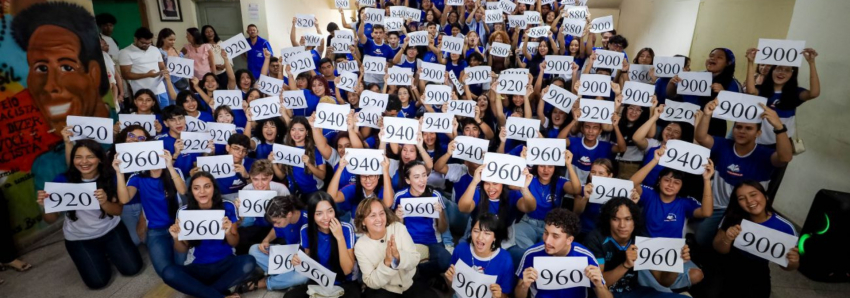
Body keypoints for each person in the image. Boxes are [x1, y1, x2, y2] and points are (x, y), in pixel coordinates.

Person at [37, 140, 143, 289]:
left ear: (99, 159)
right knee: (98, 283)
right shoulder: (63, 181)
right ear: (73, 159)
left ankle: (107, 253)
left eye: (90, 156)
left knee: (133, 269)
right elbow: (50, 220)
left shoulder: (110, 178)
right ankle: (99, 255)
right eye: (78, 157)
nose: (84, 162)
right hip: (80, 238)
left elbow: (118, 211)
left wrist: (104, 202)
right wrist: (45, 207)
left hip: (110, 230)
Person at [693, 99, 793, 247]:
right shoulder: (723, 145)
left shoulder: (765, 155)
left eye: (748, 128)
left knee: (737, 248)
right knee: (701, 239)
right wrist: (707, 114)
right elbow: (701, 138)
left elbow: (785, 158)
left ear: (758, 133)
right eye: (738, 127)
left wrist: (779, 126)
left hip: (747, 210)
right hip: (719, 205)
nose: (742, 131)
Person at [162, 171, 256, 298]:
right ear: (191, 191)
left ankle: (204, 293)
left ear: (214, 188)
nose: (202, 192)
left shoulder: (228, 206)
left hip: (226, 263)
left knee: (249, 262)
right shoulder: (184, 211)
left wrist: (228, 232)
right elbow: (182, 248)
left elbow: (234, 242)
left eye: (207, 186)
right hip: (199, 266)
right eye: (196, 188)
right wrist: (176, 238)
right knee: (169, 273)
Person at [584, 198, 692, 298]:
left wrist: (676, 263)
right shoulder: (595, 239)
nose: (622, 225)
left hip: (634, 291)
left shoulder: (641, 238)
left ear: (634, 221)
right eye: (615, 219)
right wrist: (625, 265)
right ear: (608, 220)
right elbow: (598, 282)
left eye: (627, 219)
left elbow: (663, 281)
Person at [115, 135, 187, 278]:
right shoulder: (138, 177)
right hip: (156, 231)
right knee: (165, 271)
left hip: (178, 226)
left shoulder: (175, 172)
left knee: (183, 266)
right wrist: (119, 172)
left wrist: (170, 166)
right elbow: (124, 199)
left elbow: (183, 190)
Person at [713, 181, 799, 298]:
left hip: (758, 269)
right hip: (729, 263)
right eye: (742, 198)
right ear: (737, 203)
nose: (749, 201)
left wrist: (793, 261)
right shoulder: (733, 217)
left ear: (766, 196)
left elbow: (787, 266)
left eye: (753, 194)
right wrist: (727, 238)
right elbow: (719, 248)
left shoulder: (785, 227)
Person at [514, 208, 611, 298]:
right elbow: (518, 296)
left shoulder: (586, 257)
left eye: (555, 236)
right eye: (546, 233)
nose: (547, 241)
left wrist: (599, 286)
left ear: (569, 240)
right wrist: (524, 286)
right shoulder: (531, 254)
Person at [284, 192, 360, 298]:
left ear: (335, 211)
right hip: (320, 280)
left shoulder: (346, 228)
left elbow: (347, 270)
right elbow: (307, 259)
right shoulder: (306, 230)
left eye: (330, 211)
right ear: (312, 215)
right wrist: (298, 260)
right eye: (319, 213)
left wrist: (340, 237)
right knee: (290, 296)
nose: (326, 218)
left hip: (344, 282)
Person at [354, 198, 434, 298]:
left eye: (381, 213)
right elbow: (370, 281)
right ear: (363, 222)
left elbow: (415, 259)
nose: (379, 219)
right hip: (384, 289)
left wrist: (398, 256)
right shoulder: (360, 246)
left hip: (411, 282)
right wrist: (387, 263)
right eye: (373, 215)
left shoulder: (398, 228)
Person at [391, 161, 451, 280]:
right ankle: (425, 276)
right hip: (408, 241)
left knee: (446, 260)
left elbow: (443, 229)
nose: (422, 180)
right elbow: (396, 229)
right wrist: (398, 218)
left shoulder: (435, 195)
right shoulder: (400, 196)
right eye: (417, 177)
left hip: (432, 241)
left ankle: (417, 272)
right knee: (394, 262)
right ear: (408, 180)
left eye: (424, 175)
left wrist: (440, 214)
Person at [245, 195, 310, 292]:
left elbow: (311, 251)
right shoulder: (283, 220)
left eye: (277, 222)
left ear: (289, 214)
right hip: (287, 254)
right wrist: (266, 240)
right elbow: (276, 230)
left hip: (304, 259)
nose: (275, 225)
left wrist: (300, 258)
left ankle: (265, 283)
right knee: (254, 249)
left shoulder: (307, 221)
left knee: (302, 277)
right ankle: (284, 279)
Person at [444, 213, 515, 298]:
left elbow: (506, 295)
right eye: (476, 231)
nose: (480, 237)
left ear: (495, 237)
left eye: (487, 233)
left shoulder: (505, 260)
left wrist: (499, 296)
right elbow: (452, 288)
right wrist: (449, 280)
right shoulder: (460, 250)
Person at [120, 27, 167, 99]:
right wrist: (147, 75)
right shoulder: (125, 52)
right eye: (143, 43)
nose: (146, 45)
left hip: (160, 90)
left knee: (165, 109)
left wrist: (164, 72)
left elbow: (162, 67)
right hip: (141, 92)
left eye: (149, 43)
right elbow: (125, 75)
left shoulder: (154, 49)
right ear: (135, 39)